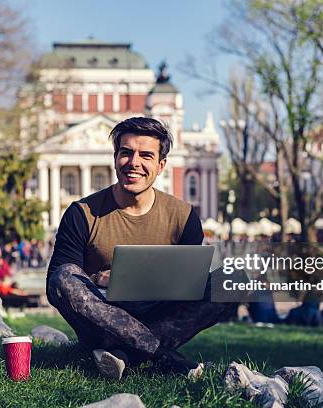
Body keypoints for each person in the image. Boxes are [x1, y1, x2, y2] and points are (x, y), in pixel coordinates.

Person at [46, 117, 236, 380]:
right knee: (65, 276)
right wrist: (98, 279)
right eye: (126, 153)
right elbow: (55, 283)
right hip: (101, 315)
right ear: (115, 158)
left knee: (230, 281)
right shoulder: (82, 213)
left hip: (160, 313)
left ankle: (124, 353)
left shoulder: (182, 216)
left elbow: (192, 283)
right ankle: (161, 357)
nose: (134, 162)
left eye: (145, 155)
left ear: (161, 166)